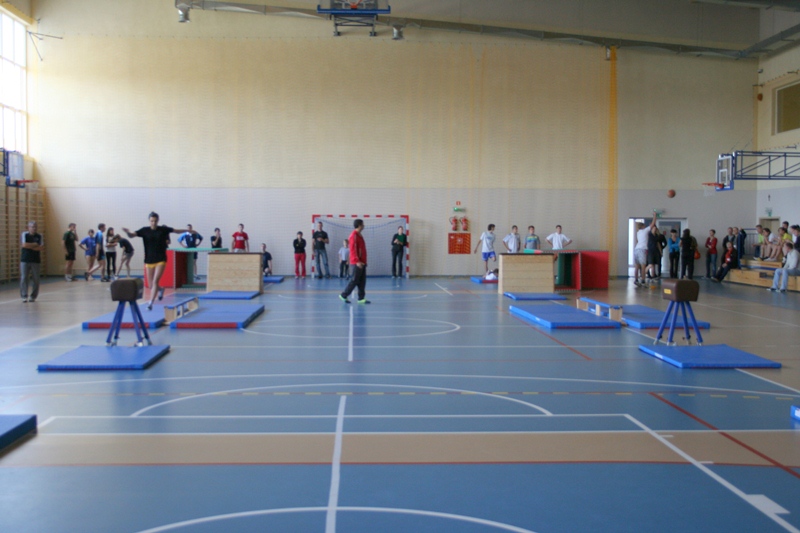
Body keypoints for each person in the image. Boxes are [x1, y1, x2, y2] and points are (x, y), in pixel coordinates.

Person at [123, 212, 196, 311]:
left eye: (155, 221)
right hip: (149, 260)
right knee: (150, 285)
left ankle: (151, 303)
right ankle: (161, 289)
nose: (153, 223)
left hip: (160, 259)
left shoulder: (163, 229)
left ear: (158, 221)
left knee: (155, 281)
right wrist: (128, 232)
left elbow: (176, 231)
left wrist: (188, 230)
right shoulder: (144, 230)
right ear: (149, 221)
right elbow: (132, 235)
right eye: (152, 221)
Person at [339, 219, 369, 304]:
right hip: (357, 262)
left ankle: (361, 298)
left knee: (362, 281)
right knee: (354, 280)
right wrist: (357, 261)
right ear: (359, 225)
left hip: (362, 262)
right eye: (362, 224)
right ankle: (344, 295)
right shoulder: (354, 235)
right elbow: (353, 249)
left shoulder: (359, 235)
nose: (364, 226)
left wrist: (363, 261)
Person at [20, 221, 44, 303]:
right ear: (28, 227)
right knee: (24, 278)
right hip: (25, 259)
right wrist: (35, 244)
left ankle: (33, 296)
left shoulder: (39, 236)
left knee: (36, 279)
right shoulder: (25, 234)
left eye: (35, 227)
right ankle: (24, 295)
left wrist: (29, 246)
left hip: (35, 260)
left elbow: (40, 248)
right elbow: (24, 245)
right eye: (32, 227)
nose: (34, 228)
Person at [633, 216, 656, 287]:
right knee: (643, 266)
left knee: (637, 266)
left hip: (636, 249)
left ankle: (636, 280)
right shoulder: (645, 230)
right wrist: (655, 216)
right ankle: (643, 281)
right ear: (642, 226)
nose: (645, 226)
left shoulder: (638, 232)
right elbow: (653, 224)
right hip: (642, 249)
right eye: (644, 225)